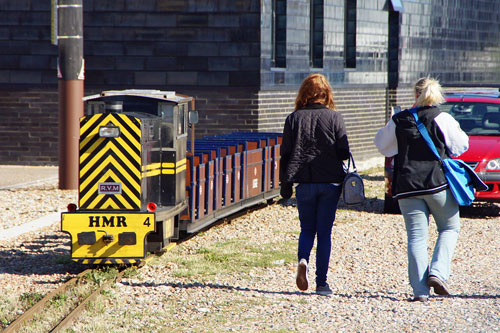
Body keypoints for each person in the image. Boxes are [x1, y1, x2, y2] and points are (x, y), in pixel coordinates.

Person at [374, 77, 469, 302]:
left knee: (416, 237)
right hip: (437, 184)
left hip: (407, 187)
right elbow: (461, 145)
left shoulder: (399, 119)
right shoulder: (442, 118)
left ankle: (419, 292)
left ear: (415, 94)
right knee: (449, 227)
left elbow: (382, 146)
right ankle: (437, 273)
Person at [280, 73, 350, 295]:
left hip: (304, 183)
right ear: (326, 93)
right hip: (330, 183)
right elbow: (343, 151)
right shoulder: (335, 118)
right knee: (325, 232)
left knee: (306, 228)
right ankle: (322, 284)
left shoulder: (293, 119)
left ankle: (303, 260)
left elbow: (286, 154)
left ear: (304, 94)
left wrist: (285, 183)